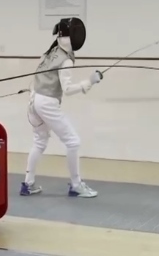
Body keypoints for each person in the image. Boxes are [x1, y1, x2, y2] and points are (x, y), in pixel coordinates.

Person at [20, 17, 102, 198]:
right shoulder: (65, 60)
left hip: (34, 100)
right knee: (73, 142)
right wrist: (89, 82)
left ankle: (28, 184)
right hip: (46, 103)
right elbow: (68, 89)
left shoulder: (51, 51)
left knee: (39, 142)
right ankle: (76, 185)